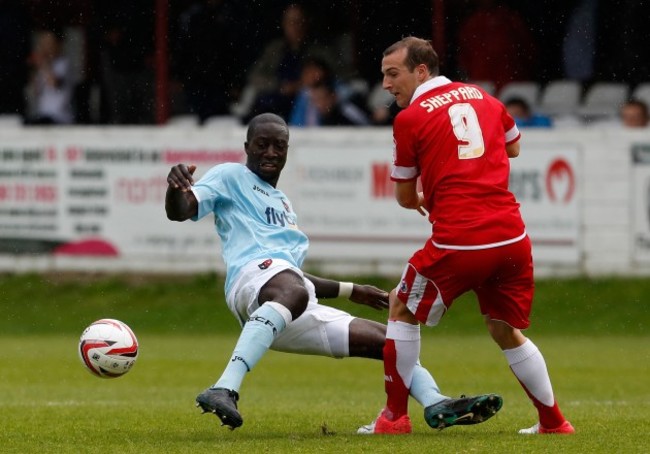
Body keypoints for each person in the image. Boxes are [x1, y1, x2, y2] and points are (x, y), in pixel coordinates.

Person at [165, 112, 501, 431]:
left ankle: (435, 402)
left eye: (278, 145)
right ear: (246, 148)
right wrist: (175, 189)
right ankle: (224, 388)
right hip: (250, 283)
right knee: (292, 288)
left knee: (390, 341)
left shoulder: (283, 202)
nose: (270, 152)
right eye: (261, 144)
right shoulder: (231, 175)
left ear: (286, 149)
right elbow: (182, 210)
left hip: (284, 305)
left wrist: (354, 290)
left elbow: (293, 278)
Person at [359, 37, 575, 435]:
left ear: (421, 70)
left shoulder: (410, 119)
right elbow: (513, 149)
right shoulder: (485, 98)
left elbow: (406, 196)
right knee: (503, 328)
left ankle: (393, 419)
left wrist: (426, 194)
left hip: (462, 238)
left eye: (393, 74)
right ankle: (554, 422)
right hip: (512, 238)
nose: (387, 85)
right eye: (383, 76)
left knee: (401, 306)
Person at [25, 30, 75, 125]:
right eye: (44, 44)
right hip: (44, 114)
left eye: (49, 43)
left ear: (58, 44)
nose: (46, 47)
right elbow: (35, 92)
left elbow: (54, 83)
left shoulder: (64, 64)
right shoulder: (45, 67)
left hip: (59, 117)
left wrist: (43, 63)